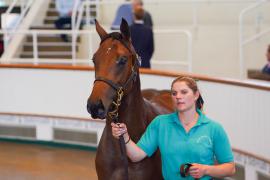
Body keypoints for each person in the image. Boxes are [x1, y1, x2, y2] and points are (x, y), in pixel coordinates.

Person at [111, 76, 235, 179]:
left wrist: (206, 170)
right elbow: (136, 155)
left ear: (196, 95)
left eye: (184, 92)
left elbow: (230, 168)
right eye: (174, 93)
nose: (178, 97)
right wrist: (125, 136)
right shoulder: (160, 123)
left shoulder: (214, 128)